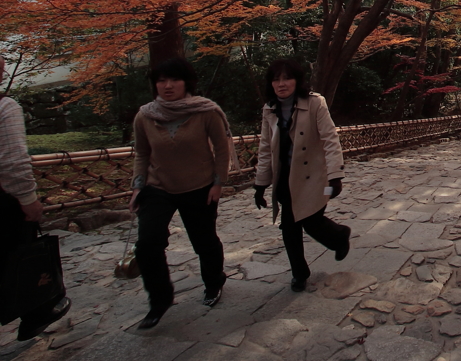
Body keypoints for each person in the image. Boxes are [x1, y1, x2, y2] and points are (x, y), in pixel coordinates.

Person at [130, 57, 232, 329]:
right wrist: (138, 185)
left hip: (199, 186)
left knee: (204, 242)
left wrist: (218, 183)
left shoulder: (206, 111)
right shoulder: (145, 115)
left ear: (187, 82)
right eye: (161, 80)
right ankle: (159, 300)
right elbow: (141, 152)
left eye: (174, 79)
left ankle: (214, 282)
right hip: (157, 186)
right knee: (148, 245)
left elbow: (222, 150)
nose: (167, 85)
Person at [254, 59, 350, 293]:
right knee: (289, 227)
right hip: (285, 177)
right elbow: (266, 147)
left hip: (313, 176)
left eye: (286, 78)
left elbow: (330, 138)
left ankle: (339, 235)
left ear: (297, 80)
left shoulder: (315, 103)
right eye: (276, 79)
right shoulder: (269, 109)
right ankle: (299, 273)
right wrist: (260, 184)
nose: (281, 83)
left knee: (311, 221)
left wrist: (335, 175)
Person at [0, 56, 72, 341]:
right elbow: (13, 161)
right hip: (3, 203)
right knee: (19, 256)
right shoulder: (5, 107)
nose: (4, 65)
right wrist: (28, 199)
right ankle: (39, 310)